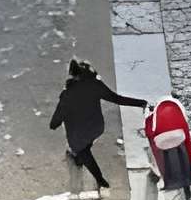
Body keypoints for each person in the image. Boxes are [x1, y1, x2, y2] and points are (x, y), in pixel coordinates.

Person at [49, 57, 148, 190]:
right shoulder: (95, 84)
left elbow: (54, 123)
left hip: (77, 136)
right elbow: (116, 98)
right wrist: (140, 102)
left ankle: (99, 178)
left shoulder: (67, 95)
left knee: (83, 151)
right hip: (97, 128)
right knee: (85, 145)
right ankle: (80, 157)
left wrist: (59, 119)